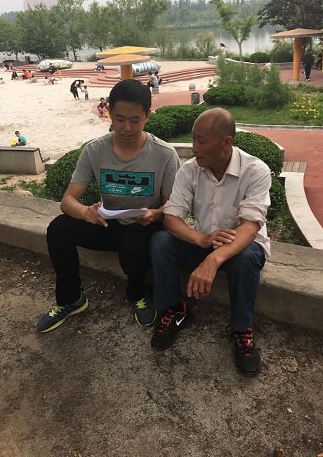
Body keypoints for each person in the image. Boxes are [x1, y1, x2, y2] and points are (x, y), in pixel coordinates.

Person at [36, 79, 180, 333]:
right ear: (109, 113)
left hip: (145, 227)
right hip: (108, 222)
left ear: (147, 116)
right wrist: (86, 212)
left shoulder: (165, 154)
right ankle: (71, 299)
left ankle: (137, 294)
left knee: (132, 243)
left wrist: (154, 214)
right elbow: (67, 201)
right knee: (58, 229)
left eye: (135, 120)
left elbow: (172, 209)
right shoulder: (95, 150)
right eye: (120, 118)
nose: (127, 127)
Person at [149, 108, 271, 377]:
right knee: (160, 241)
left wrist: (213, 259)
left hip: (239, 248)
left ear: (226, 142)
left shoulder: (255, 170)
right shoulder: (190, 170)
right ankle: (176, 310)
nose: (194, 147)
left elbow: (250, 227)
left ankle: (241, 329)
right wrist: (201, 239)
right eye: (193, 139)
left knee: (247, 256)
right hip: (204, 242)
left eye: (201, 141)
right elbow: (171, 217)